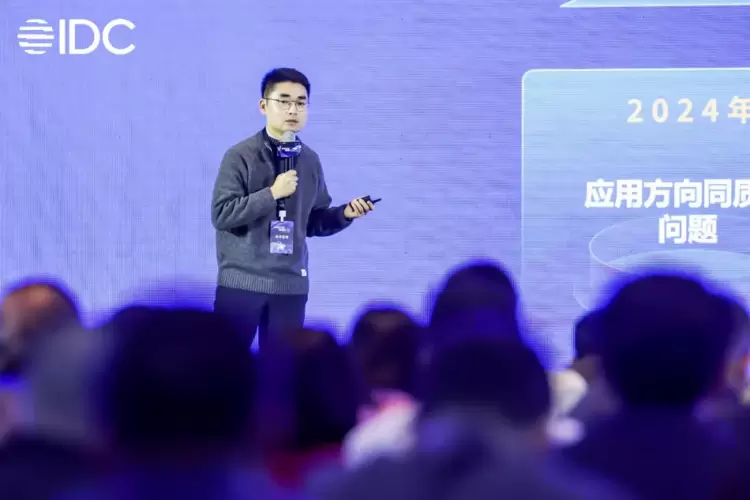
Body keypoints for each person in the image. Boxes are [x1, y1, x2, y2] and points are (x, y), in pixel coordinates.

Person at [211, 68, 375, 346]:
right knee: (226, 363)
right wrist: (272, 193)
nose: (293, 110)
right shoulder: (239, 156)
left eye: (301, 103)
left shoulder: (310, 160)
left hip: (291, 287)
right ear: (264, 106)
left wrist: (345, 213)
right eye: (284, 101)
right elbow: (222, 214)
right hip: (242, 284)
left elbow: (313, 222)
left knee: (284, 367)